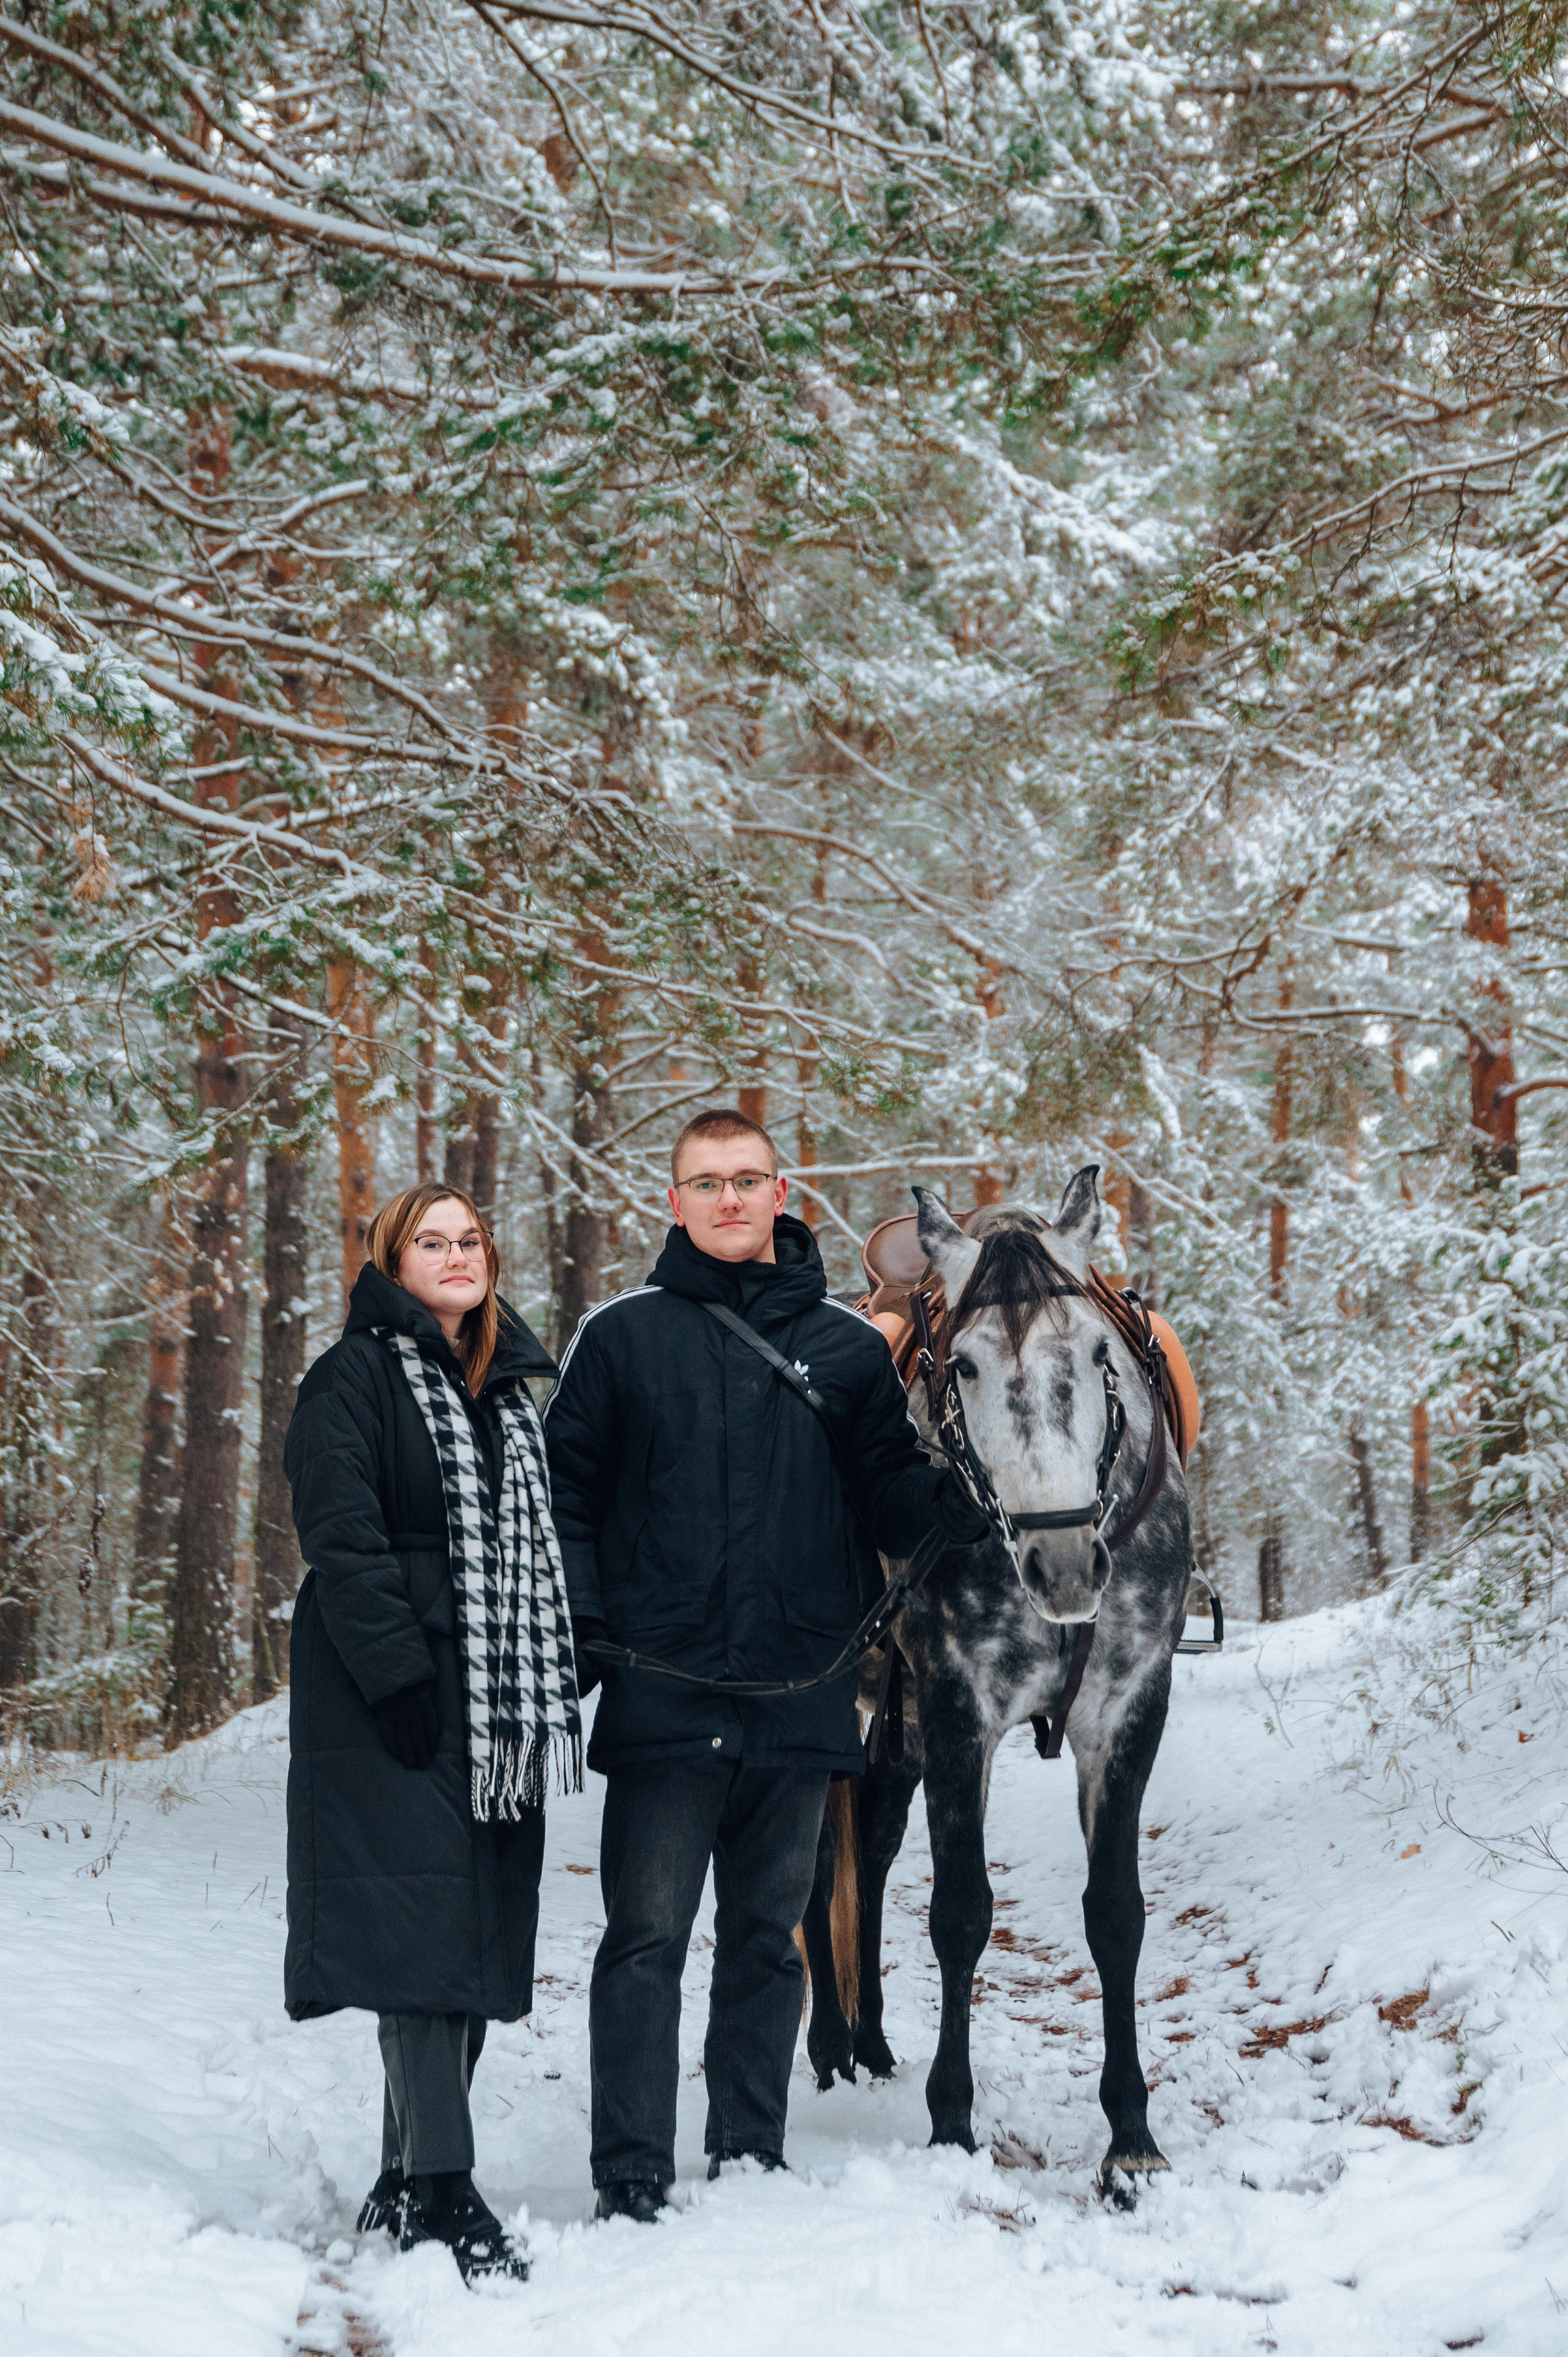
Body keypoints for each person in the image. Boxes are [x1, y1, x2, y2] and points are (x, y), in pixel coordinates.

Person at [544, 1109, 989, 2221]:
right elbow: (565, 1499)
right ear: (674, 1201)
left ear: (782, 1192)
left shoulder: (845, 1347)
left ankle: (748, 2151)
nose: (730, 1199)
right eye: (707, 1182)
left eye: (749, 1180)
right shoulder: (620, 1335)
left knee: (764, 1941)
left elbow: (887, 1488)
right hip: (662, 1685)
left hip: (799, 1688)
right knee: (644, 1941)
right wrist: (591, 1635)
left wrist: (955, 1497)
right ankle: (633, 2170)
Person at [284, 1182, 579, 2283]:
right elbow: (341, 1534)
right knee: (418, 1934)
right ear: (391, 1263)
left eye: (470, 1242)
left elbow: (541, 1538)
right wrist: (398, 1674)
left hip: (496, 1693)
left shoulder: (503, 1387)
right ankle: (445, 2191)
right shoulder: (351, 1378)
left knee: (475, 1930)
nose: (456, 1258)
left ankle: (408, 2167)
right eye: (431, 1243)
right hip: (391, 1689)